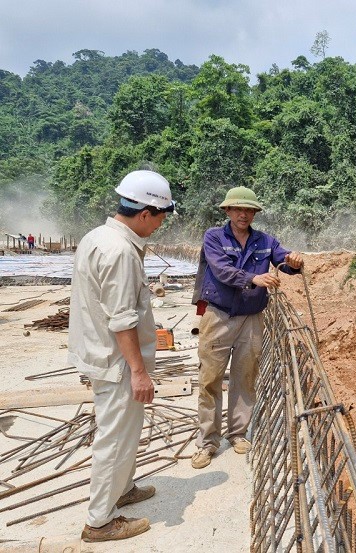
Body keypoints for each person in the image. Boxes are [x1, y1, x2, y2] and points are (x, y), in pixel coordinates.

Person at [67, 170, 176, 543]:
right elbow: (122, 320)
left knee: (126, 432)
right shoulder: (120, 252)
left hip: (103, 355)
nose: (161, 225)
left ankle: (123, 488)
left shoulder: (98, 237)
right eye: (161, 217)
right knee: (114, 439)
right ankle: (99, 522)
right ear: (145, 212)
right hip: (117, 363)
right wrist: (138, 371)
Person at [191, 186, 303, 469]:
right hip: (219, 316)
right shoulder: (214, 237)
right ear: (227, 211)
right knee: (210, 379)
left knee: (246, 375)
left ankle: (238, 433)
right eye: (238, 209)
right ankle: (208, 442)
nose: (244, 214)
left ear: (255, 213)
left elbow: (284, 262)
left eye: (249, 210)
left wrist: (294, 262)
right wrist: (254, 278)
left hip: (252, 318)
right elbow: (222, 271)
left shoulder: (265, 240)